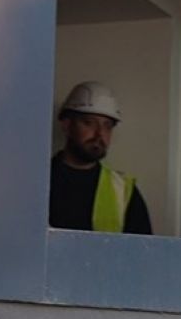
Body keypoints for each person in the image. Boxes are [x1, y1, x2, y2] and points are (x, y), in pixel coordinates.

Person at [49, 81, 153, 234]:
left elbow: (143, 247)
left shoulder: (123, 191)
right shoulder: (35, 181)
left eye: (107, 126)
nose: (100, 134)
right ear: (67, 126)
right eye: (89, 123)